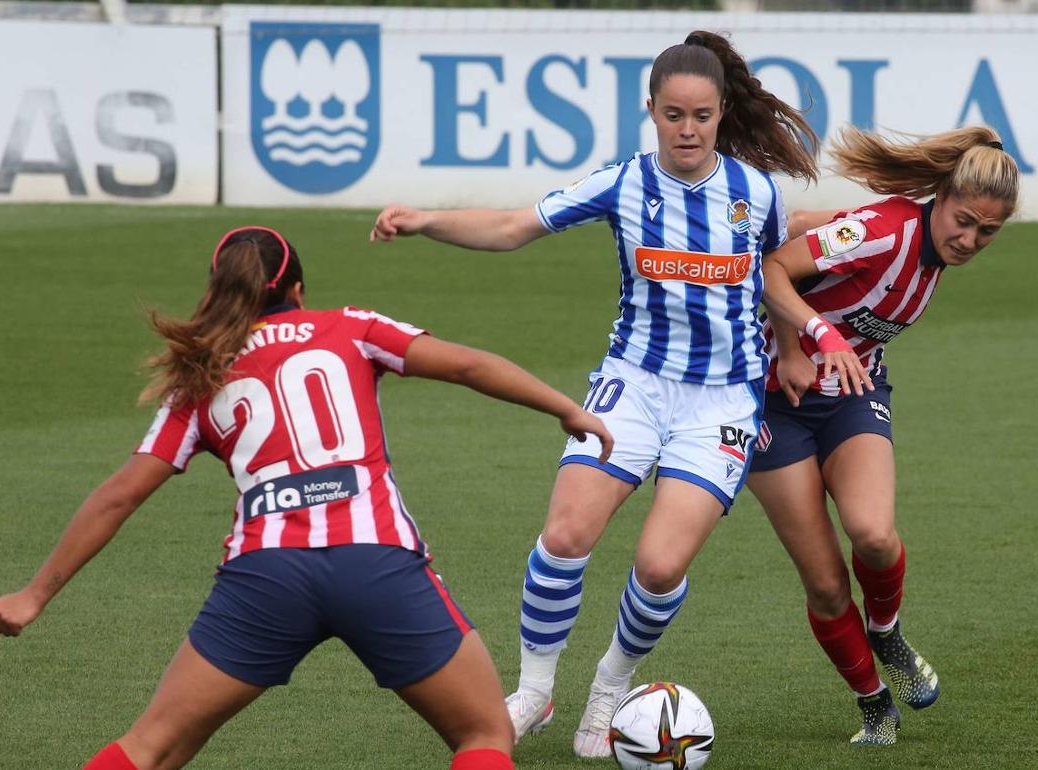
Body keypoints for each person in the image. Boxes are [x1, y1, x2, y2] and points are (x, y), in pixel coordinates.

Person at [370, 31, 866, 759]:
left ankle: (611, 686)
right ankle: (534, 692)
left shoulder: (753, 193)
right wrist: (424, 220)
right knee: (567, 533)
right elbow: (514, 227)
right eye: (673, 115)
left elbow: (772, 275)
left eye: (700, 115)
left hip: (722, 403)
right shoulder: (622, 183)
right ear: (652, 112)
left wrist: (803, 342)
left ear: (722, 113)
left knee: (660, 566)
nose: (687, 129)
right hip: (631, 383)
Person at [0, 226, 615, 770]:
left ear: (219, 294)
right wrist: (565, 409)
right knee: (483, 734)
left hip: (266, 577)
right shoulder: (352, 329)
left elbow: (119, 494)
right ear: (299, 291)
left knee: (152, 749)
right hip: (377, 562)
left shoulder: (202, 377)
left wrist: (35, 595)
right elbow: (467, 365)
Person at [750, 125, 1020, 745]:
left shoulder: (932, 250)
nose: (970, 239)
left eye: (988, 232)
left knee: (873, 534)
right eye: (964, 221)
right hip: (774, 400)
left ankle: (887, 631)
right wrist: (798, 346)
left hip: (853, 392)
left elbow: (814, 241)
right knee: (822, 581)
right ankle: (873, 704)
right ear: (941, 198)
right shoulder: (883, 230)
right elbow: (772, 272)